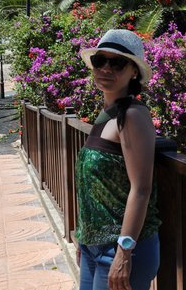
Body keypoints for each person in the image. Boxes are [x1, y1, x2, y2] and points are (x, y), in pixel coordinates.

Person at [75, 29, 160, 290]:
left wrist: (123, 252)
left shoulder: (132, 115)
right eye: (100, 61)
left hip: (122, 249)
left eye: (118, 62)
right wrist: (83, 238)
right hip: (94, 247)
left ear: (134, 71)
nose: (106, 68)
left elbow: (141, 188)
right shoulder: (107, 114)